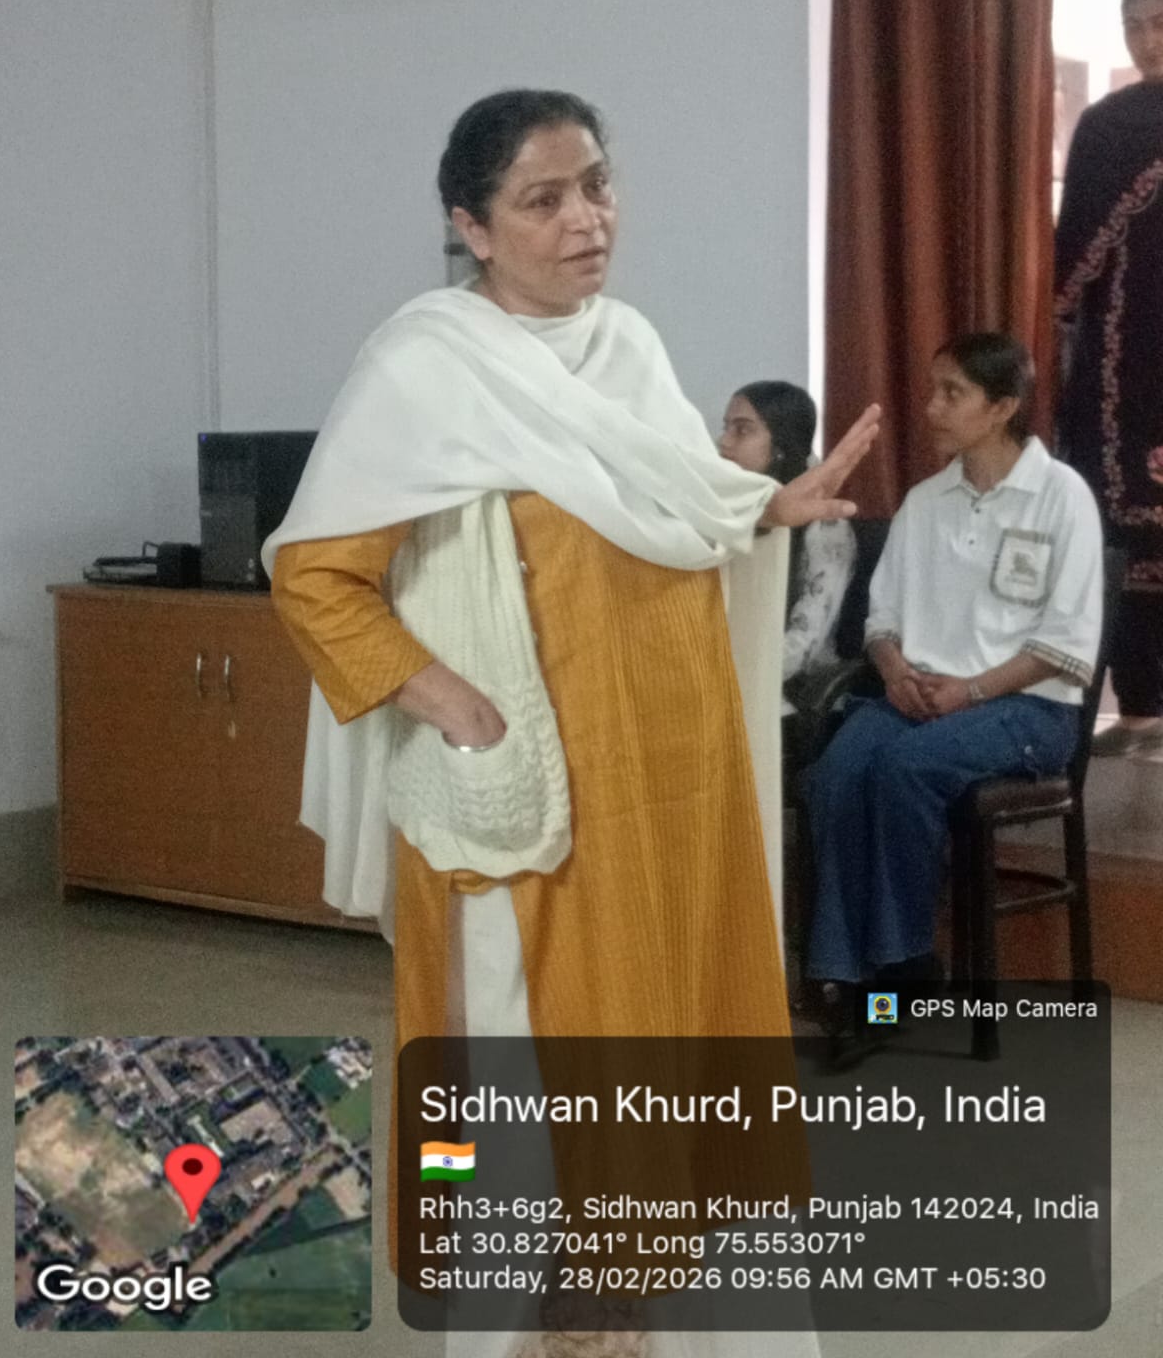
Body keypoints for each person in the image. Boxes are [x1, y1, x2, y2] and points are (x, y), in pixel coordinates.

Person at [262, 89, 879, 1355]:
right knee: (522, 1083)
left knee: (682, 1062)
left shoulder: (628, 347)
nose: (587, 218)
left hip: (675, 791)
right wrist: (449, 700)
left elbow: (669, 506)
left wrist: (761, 507)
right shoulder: (424, 368)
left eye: (596, 184)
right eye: (543, 200)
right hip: (528, 808)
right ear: (473, 227)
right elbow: (313, 573)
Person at [804, 334, 1102, 1068]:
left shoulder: (1061, 495)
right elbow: (881, 621)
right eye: (934, 389)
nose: (932, 406)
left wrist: (970, 689)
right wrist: (894, 671)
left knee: (904, 768)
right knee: (836, 772)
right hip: (920, 696)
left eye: (952, 393)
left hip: (1027, 708)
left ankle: (898, 972)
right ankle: (843, 975)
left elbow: (1064, 646)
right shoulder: (925, 501)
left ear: (1002, 408)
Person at [1056, 0, 1163, 759]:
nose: (1147, 40)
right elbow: (1074, 256)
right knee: (1117, 521)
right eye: (1134, 27)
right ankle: (1141, 702)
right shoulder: (1105, 126)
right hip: (1124, 362)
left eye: (1159, 23)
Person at [719, 382, 857, 715]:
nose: (724, 441)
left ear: (780, 446)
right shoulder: (726, 509)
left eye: (742, 429)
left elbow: (805, 643)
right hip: (725, 672)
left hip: (788, 688)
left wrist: (728, 677)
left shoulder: (825, 527)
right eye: (726, 427)